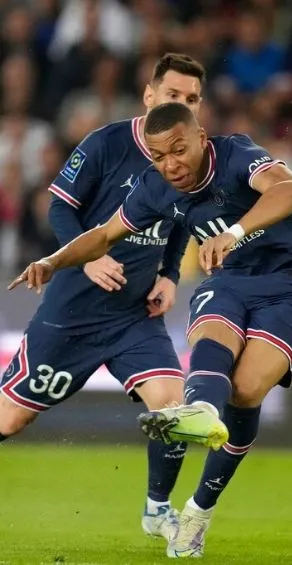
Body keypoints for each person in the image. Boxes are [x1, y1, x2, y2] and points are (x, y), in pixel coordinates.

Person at [9, 101, 292, 558]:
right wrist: (52, 261)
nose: (171, 164)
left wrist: (232, 233)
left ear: (200, 136)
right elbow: (102, 234)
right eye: (159, 156)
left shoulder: (236, 155)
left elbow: (290, 191)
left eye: (179, 150)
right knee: (214, 337)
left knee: (249, 390)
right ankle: (196, 412)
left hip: (290, 283)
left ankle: (199, 510)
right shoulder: (155, 188)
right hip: (229, 281)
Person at [0, 53, 206, 541]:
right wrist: (88, 257)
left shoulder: (192, 156)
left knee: (172, 404)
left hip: (134, 315)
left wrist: (171, 274)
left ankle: (157, 509)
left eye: (192, 99)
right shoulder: (107, 143)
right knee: (9, 418)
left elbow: (181, 220)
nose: (183, 105)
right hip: (73, 313)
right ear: (150, 96)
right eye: (173, 95)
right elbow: (59, 208)